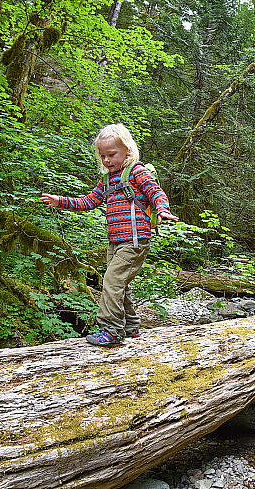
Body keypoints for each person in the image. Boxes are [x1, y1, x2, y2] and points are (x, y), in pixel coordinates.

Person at [41, 123, 178, 346]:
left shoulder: (136, 171)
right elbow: (89, 202)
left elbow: (156, 192)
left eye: (111, 155)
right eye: (103, 156)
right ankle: (131, 326)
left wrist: (162, 209)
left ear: (127, 151)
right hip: (115, 243)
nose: (106, 161)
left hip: (135, 240)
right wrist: (61, 201)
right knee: (119, 284)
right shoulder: (107, 180)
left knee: (111, 282)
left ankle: (112, 330)